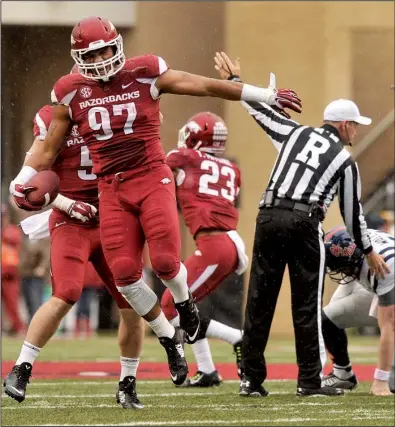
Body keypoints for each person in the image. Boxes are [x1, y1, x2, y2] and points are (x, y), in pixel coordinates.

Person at [9, 17, 301, 386]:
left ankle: (183, 310)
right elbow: (46, 150)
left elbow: (202, 85)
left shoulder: (143, 73)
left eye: (104, 51)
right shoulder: (68, 93)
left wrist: (263, 94)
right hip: (107, 190)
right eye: (91, 54)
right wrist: (22, 183)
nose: (99, 60)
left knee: (164, 262)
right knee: (126, 278)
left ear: (117, 47)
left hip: (148, 176)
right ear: (77, 60)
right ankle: (172, 339)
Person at [214, 52, 389, 397]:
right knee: (305, 304)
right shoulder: (343, 160)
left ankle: (251, 380)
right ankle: (309, 380)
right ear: (343, 125)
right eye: (354, 124)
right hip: (304, 221)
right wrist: (368, 252)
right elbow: (353, 216)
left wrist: (235, 81)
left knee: (260, 300)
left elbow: (259, 111)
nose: (355, 131)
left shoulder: (294, 134)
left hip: (268, 216)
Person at [4, 104, 145, 410]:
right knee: (66, 293)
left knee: (133, 302)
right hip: (71, 221)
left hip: (111, 220)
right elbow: (21, 187)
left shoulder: (117, 115)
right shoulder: (52, 122)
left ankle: (128, 383)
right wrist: (67, 204)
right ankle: (21, 368)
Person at [161, 112, 248, 386]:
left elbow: (157, 169)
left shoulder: (185, 157)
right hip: (228, 242)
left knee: (170, 307)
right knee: (187, 306)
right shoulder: (232, 169)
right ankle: (208, 370)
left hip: (214, 245)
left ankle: (238, 338)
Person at [322, 226, 394, 396]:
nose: (339, 272)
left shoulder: (383, 266)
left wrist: (380, 381)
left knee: (392, 382)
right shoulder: (358, 245)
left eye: (342, 267)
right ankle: (342, 373)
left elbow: (389, 326)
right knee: (326, 320)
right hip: (375, 273)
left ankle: (384, 379)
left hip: (387, 277)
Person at [1, 204, 24, 335]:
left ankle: (18, 328)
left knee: (12, 304)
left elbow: (14, 239)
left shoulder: (11, 230)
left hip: (9, 274)